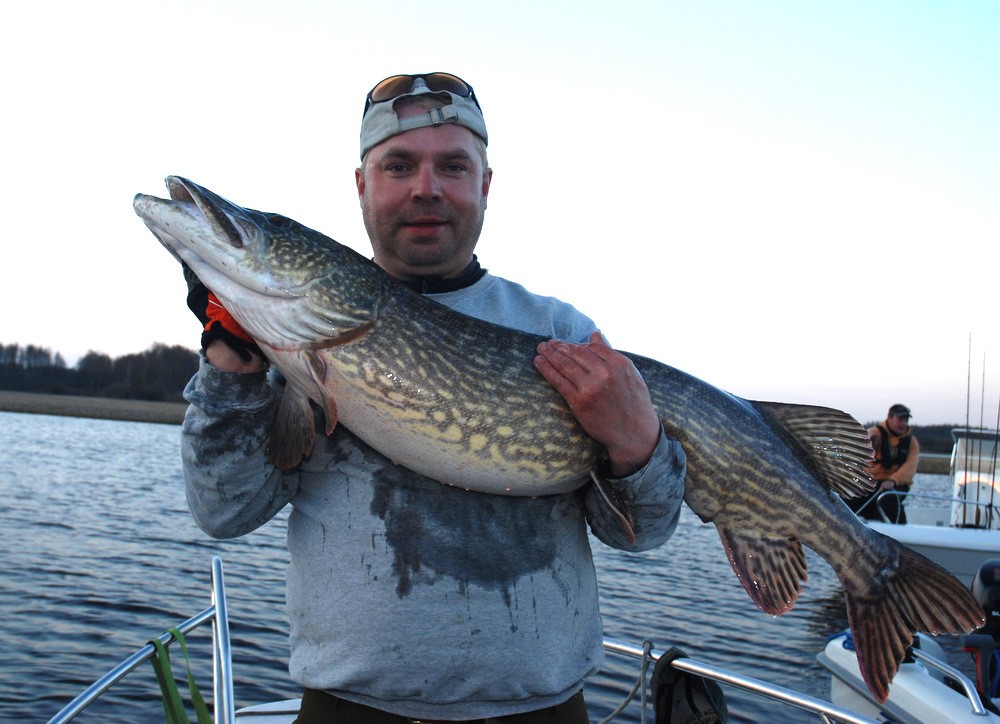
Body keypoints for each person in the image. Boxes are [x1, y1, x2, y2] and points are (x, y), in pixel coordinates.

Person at [181, 72, 687, 723]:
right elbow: (222, 511)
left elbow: (643, 533)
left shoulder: (563, 335)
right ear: (362, 186)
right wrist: (232, 362)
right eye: (399, 165)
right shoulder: (291, 349)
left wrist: (637, 446)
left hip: (537, 713)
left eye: (452, 165)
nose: (427, 187)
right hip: (346, 710)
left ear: (485, 185)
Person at [846, 403, 919, 523]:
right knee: (850, 498)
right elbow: (859, 452)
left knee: (889, 498)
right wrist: (870, 445)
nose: (904, 424)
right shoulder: (875, 433)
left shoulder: (912, 442)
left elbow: (909, 468)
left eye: (906, 420)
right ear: (890, 418)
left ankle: (900, 529)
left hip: (895, 485)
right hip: (870, 482)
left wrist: (892, 481)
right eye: (900, 419)